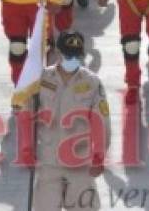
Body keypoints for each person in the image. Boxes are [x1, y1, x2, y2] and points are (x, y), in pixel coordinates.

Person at [27, 31, 110, 211]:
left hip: (80, 161)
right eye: (67, 55)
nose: (71, 59)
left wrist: (99, 156)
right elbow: (28, 116)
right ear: (58, 52)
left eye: (75, 56)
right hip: (48, 160)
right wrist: (26, 148)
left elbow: (102, 121)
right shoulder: (40, 79)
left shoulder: (92, 82)